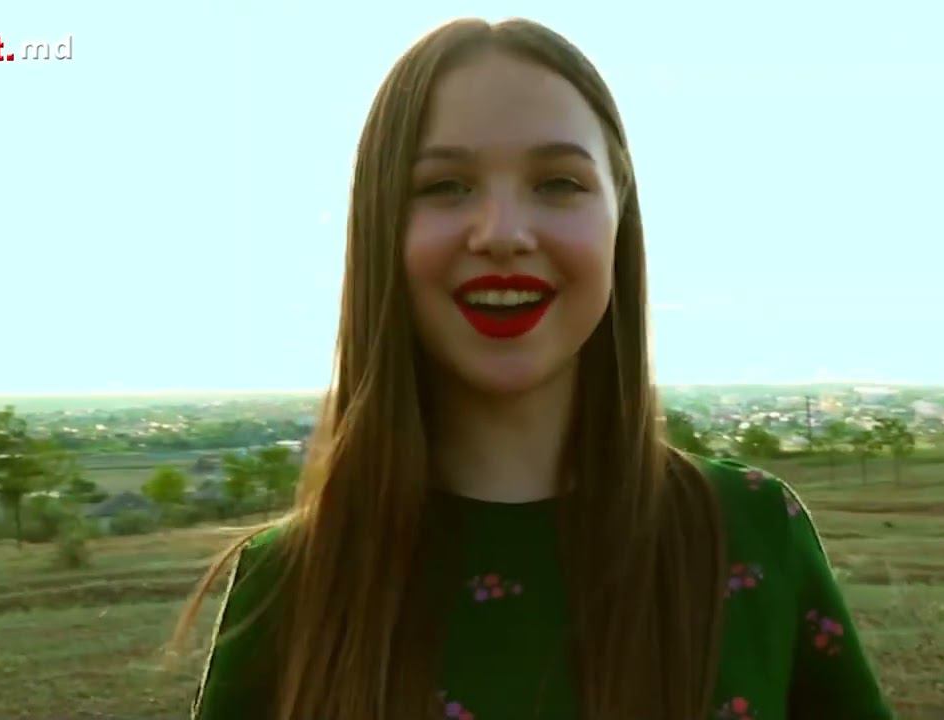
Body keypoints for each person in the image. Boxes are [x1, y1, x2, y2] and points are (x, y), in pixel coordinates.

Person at [170, 16, 895, 720]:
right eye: (444, 186)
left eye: (558, 183)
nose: (504, 234)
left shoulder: (757, 538)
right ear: (379, 227)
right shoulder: (285, 588)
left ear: (619, 220)